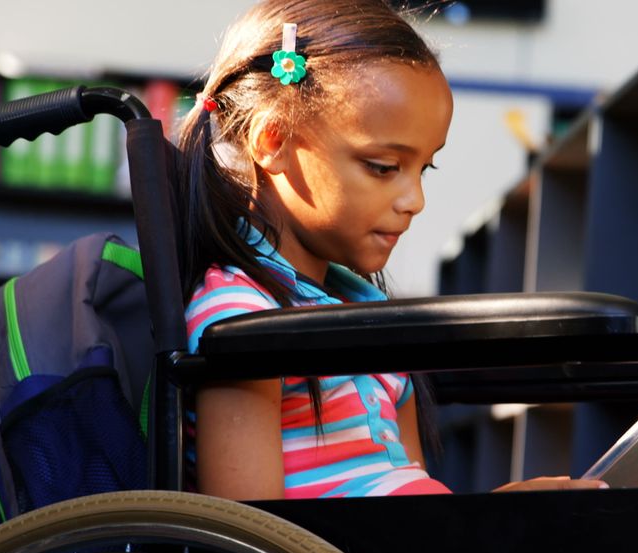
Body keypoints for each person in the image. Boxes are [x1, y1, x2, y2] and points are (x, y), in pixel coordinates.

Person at [177, 0, 607, 500]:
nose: (415, 201)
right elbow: (250, 539)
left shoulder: (369, 315)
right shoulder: (240, 321)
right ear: (272, 139)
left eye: (424, 169)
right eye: (383, 166)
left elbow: (408, 506)